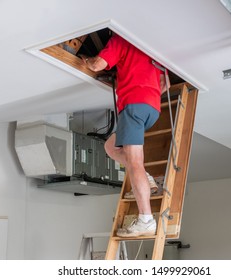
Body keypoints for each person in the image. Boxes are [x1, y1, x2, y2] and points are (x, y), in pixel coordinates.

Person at [81, 34, 169, 237]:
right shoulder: (152, 46)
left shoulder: (122, 39)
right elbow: (165, 84)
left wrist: (86, 59)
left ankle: (146, 220)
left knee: (135, 162)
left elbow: (97, 65)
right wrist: (148, 94)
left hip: (134, 106)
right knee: (111, 147)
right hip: (152, 110)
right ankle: (145, 179)